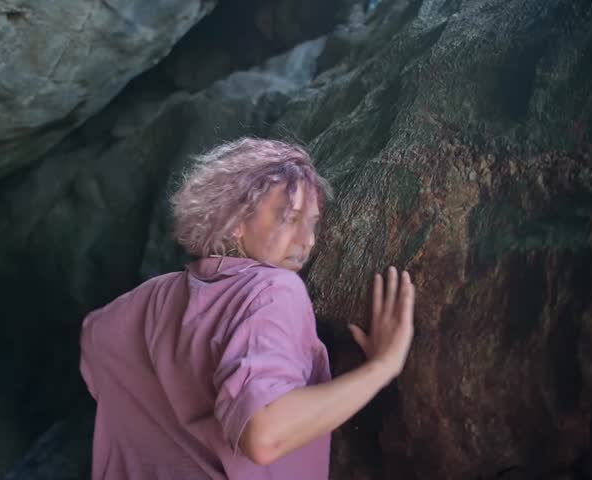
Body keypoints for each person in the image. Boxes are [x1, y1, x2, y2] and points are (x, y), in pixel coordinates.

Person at [79, 138, 416, 479]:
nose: (309, 239)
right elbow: (265, 436)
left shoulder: (157, 295)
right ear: (234, 221)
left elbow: (94, 337)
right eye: (290, 218)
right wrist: (383, 367)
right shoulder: (273, 290)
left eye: (312, 222)